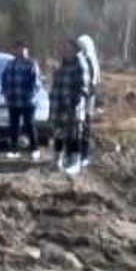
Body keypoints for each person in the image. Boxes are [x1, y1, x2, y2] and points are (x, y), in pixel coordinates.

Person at [50, 39, 90, 176]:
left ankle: (75, 162)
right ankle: (57, 160)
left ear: (75, 50)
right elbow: (56, 86)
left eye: (68, 48)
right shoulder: (61, 66)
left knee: (73, 135)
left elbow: (83, 89)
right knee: (58, 133)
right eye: (63, 48)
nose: (65, 50)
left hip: (73, 107)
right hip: (58, 106)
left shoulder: (80, 65)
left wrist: (74, 102)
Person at [0, 40, 42, 160]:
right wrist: (4, 92)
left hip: (27, 101)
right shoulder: (10, 64)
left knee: (30, 124)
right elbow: (4, 78)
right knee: (14, 126)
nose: (20, 51)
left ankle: (35, 149)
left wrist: (30, 95)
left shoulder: (31, 64)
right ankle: (14, 150)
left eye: (23, 48)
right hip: (13, 100)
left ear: (27, 50)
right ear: (14, 50)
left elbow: (36, 83)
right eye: (17, 48)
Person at [76, 34, 100, 168]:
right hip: (76, 99)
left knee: (85, 128)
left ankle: (84, 155)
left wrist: (87, 96)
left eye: (82, 46)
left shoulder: (92, 61)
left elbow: (94, 82)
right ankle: (73, 154)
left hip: (87, 100)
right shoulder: (77, 58)